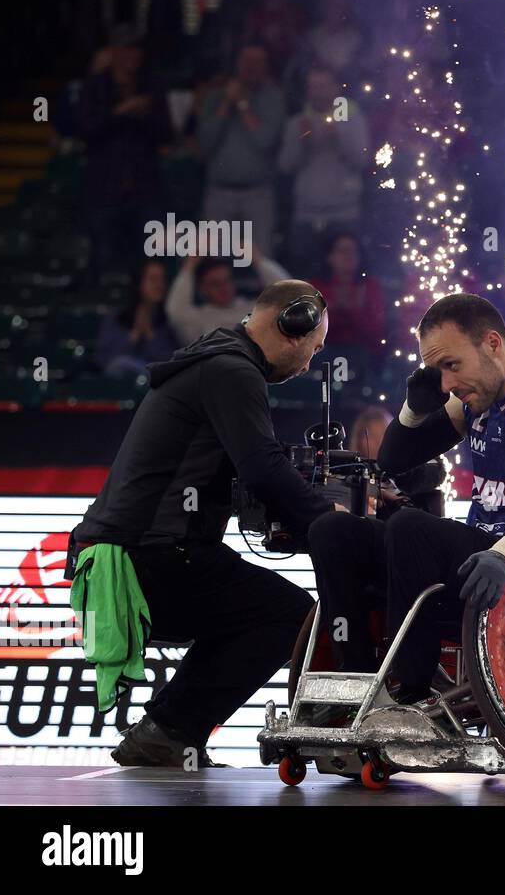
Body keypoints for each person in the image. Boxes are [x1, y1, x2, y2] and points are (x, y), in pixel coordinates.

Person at [69, 281, 338, 767]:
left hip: (125, 552)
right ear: (292, 326)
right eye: (313, 348)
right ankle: (170, 729)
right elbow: (261, 466)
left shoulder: (213, 359)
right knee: (286, 614)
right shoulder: (232, 370)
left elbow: (243, 473)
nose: (306, 365)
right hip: (149, 556)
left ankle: (168, 730)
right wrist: (330, 519)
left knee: (244, 608)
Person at [305, 294, 505, 704]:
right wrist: (413, 410)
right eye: (436, 370)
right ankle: (357, 686)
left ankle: (408, 692)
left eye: (452, 365)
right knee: (333, 530)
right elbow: (392, 460)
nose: (445, 383)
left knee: (411, 528)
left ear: (493, 344)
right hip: (479, 561)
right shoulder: (473, 398)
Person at [77, 26, 173, 281]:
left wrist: (145, 115)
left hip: (145, 189)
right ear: (114, 52)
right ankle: (107, 315)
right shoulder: (96, 86)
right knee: (105, 261)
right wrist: (119, 113)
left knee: (151, 261)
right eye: (128, 48)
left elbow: (167, 133)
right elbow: (84, 130)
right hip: (105, 189)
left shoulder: (152, 85)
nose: (134, 55)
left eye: (137, 49)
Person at [278, 67, 369, 276]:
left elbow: (361, 160)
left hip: (344, 213)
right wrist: (302, 141)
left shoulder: (352, 119)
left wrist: (339, 134)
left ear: (335, 88)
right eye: (313, 87)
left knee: (345, 279)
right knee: (303, 278)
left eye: (323, 86)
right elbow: (285, 165)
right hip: (306, 214)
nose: (317, 91)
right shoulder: (299, 122)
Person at [197, 45, 285, 256]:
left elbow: (264, 140)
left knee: (261, 258)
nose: (251, 68)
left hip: (258, 193)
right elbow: (205, 141)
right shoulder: (216, 96)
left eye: (257, 62)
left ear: (265, 67)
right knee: (213, 258)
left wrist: (243, 104)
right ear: (237, 64)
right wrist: (227, 102)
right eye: (247, 61)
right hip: (219, 192)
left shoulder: (273, 98)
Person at [166, 250, 290, 344]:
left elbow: (289, 295)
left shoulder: (252, 309)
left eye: (227, 280)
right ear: (203, 289)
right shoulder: (199, 318)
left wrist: (258, 261)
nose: (223, 288)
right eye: (215, 284)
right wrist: (190, 266)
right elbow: (175, 311)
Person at [309, 232, 386, 365]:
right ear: (329, 256)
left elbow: (377, 328)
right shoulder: (316, 287)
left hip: (363, 357)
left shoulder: (369, 286)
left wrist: (347, 311)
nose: (349, 256)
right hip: (322, 355)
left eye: (353, 251)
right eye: (343, 251)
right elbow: (312, 330)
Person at [95, 259, 179, 376]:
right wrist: (134, 335)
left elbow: (170, 362)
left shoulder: (167, 322)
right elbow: (103, 359)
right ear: (139, 283)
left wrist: (150, 335)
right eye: (153, 279)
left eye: (162, 280)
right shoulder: (116, 318)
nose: (159, 285)